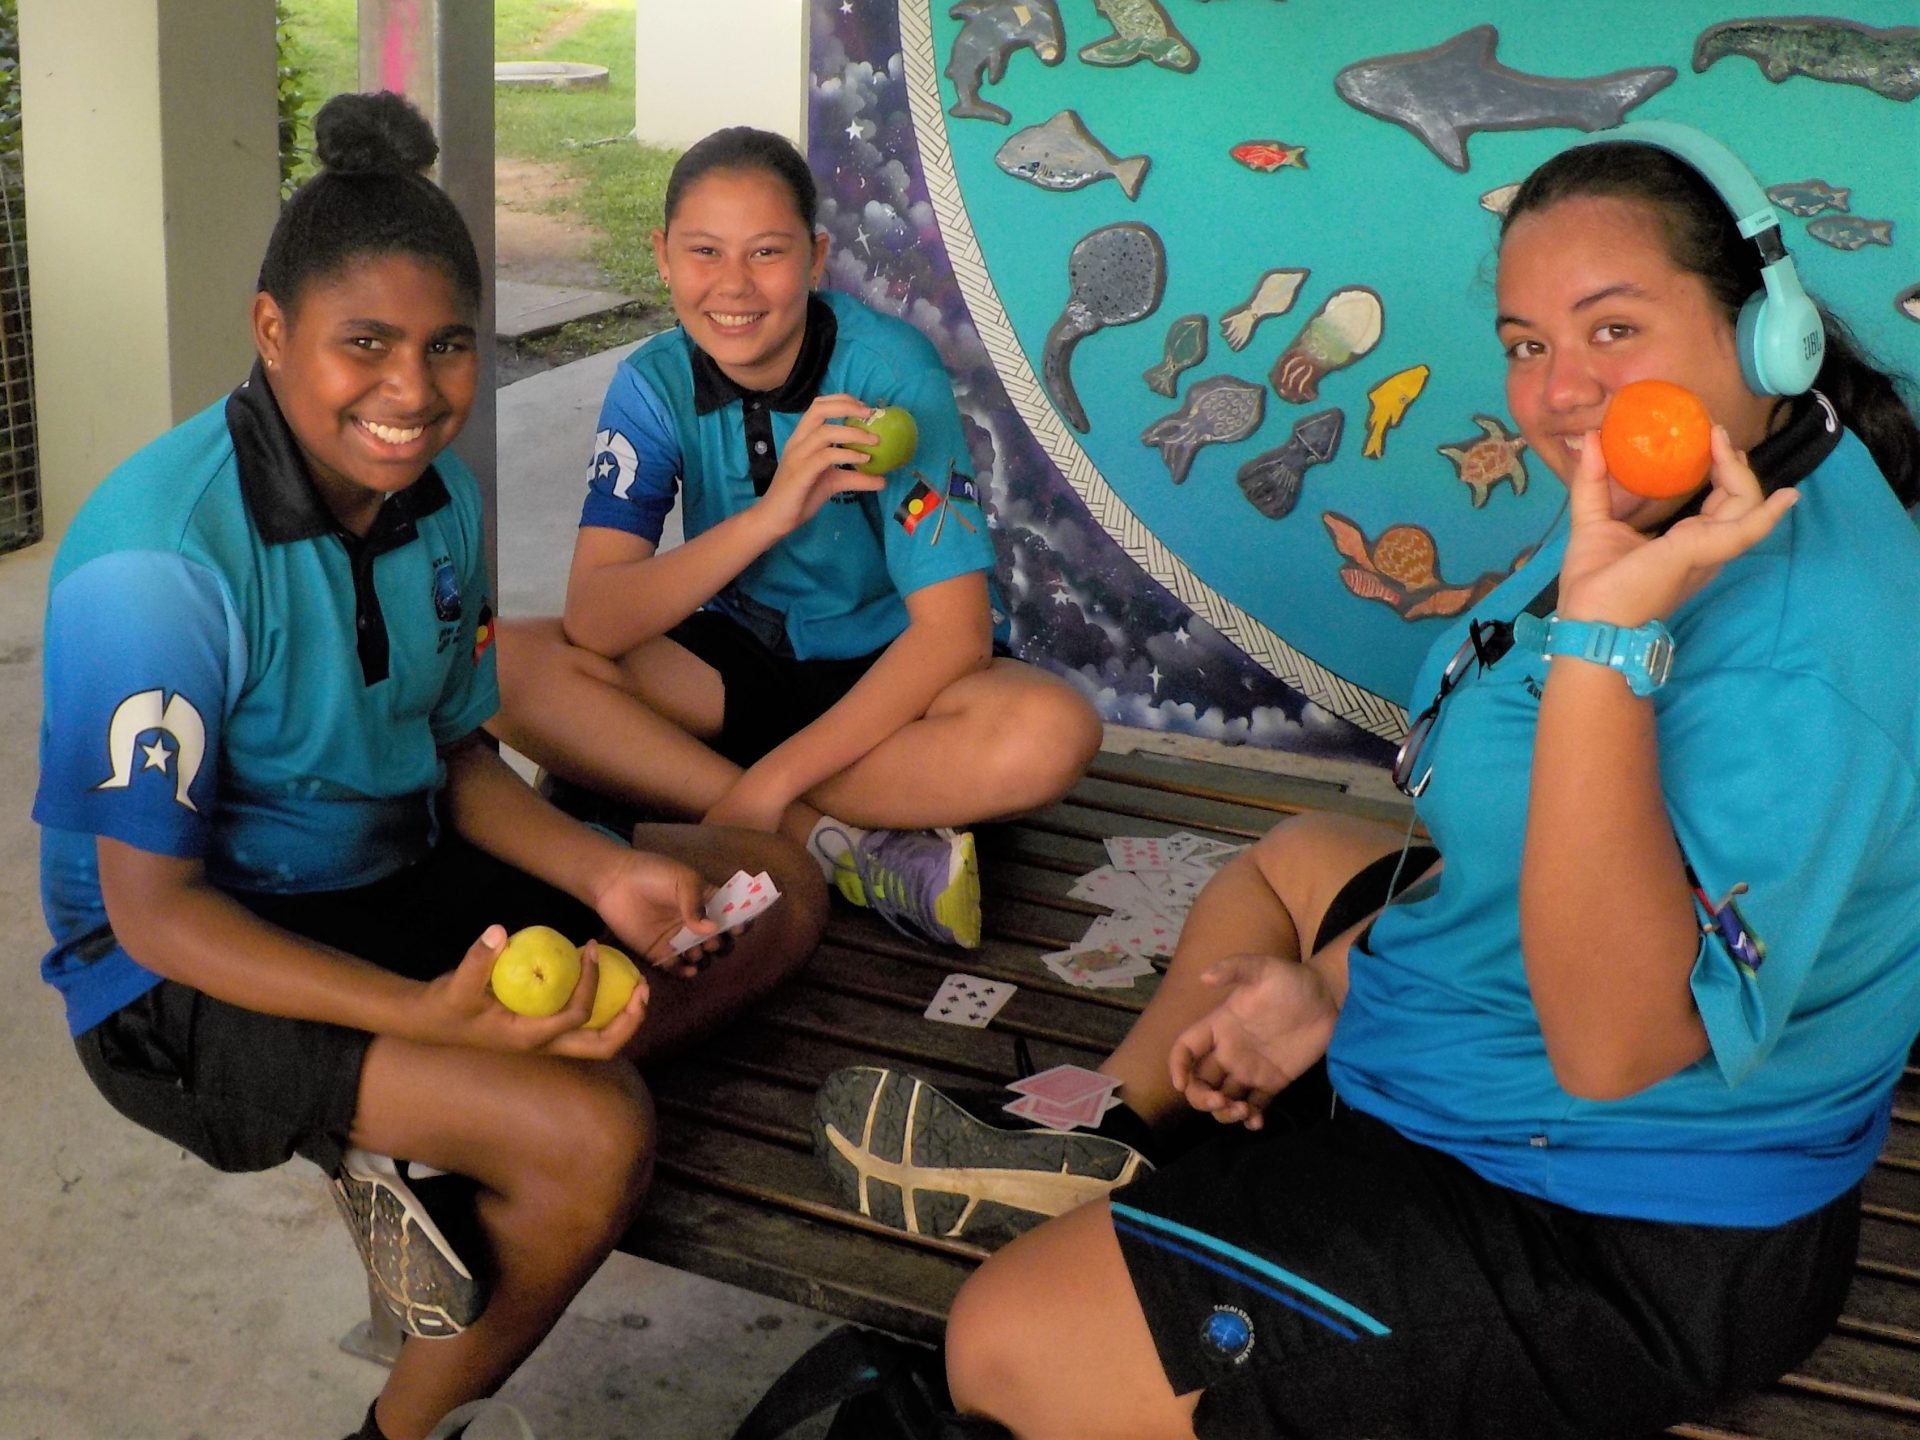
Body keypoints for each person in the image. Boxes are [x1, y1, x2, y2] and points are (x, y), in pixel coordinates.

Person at [814, 122, 1920, 1438]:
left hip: (1617, 1216)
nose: (1562, 390)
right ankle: (1114, 1126)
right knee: (1293, 862)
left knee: (1004, 1342)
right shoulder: (1715, 484)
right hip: (1526, 1052)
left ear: (1767, 333)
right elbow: (1529, 838)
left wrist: (1605, 646)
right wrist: (1340, 988)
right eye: (1527, 345)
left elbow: (1616, 1043)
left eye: (1613, 330)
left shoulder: (1798, 652)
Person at [32, 93, 827, 1440]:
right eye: (365, 346)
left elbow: (451, 749)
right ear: (271, 332)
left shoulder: (437, 501)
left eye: (447, 346)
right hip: (186, 972)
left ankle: (439, 1146)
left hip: (391, 870)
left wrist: (601, 874)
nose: (414, 392)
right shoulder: (157, 567)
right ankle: (402, 1424)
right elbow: (157, 915)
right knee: (596, 1141)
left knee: (765, 890)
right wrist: (431, 1021)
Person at [487, 126, 1103, 951]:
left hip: (893, 686)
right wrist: (769, 515)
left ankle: (723, 800)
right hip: (734, 668)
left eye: (766, 253)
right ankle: (831, 837)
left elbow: (952, 637)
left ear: (814, 261)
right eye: (704, 252)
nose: (733, 286)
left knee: (1052, 734)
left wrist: (766, 786)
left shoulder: (890, 374)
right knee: (493, 664)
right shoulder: (655, 384)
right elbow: (597, 617)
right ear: (662, 257)